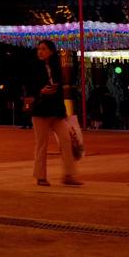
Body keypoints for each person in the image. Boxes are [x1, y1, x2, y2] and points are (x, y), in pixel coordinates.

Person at [29, 40, 81, 187]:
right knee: (41, 144)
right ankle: (41, 176)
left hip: (56, 112)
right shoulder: (34, 67)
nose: (40, 52)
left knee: (66, 140)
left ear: (51, 51)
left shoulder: (56, 67)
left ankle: (68, 175)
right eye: (39, 49)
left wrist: (63, 112)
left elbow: (60, 91)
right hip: (40, 111)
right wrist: (40, 91)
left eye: (44, 49)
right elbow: (30, 87)